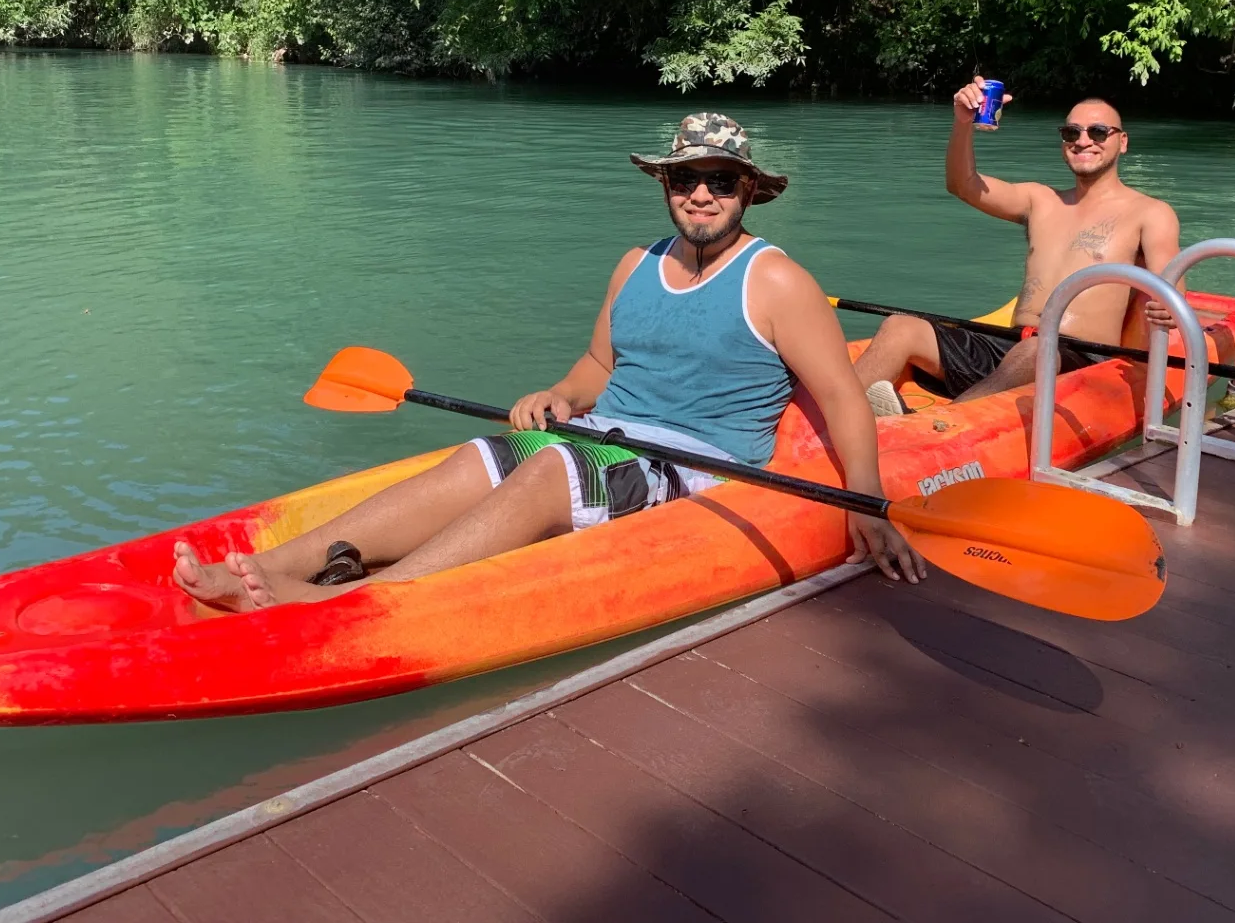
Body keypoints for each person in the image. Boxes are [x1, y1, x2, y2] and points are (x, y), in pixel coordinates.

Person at [174, 112, 924, 609]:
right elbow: (599, 365)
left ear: (749, 191)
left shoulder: (778, 281)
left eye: (721, 180)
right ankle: (274, 567)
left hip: (699, 462)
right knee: (482, 456)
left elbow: (842, 397)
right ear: (664, 185)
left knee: (548, 471)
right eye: (684, 179)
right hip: (606, 434)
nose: (701, 195)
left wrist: (865, 504)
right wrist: (560, 394)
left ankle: (358, 598)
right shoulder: (636, 264)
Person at [854, 80, 1181, 413]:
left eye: (1098, 132)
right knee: (900, 327)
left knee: (1035, 351)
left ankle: (940, 426)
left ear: (1122, 142)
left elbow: (1172, 291)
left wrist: (1167, 307)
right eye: (1071, 133)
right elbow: (962, 184)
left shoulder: (1150, 212)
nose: (1083, 141)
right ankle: (837, 416)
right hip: (1012, 345)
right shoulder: (1040, 200)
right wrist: (963, 122)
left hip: (1079, 359)